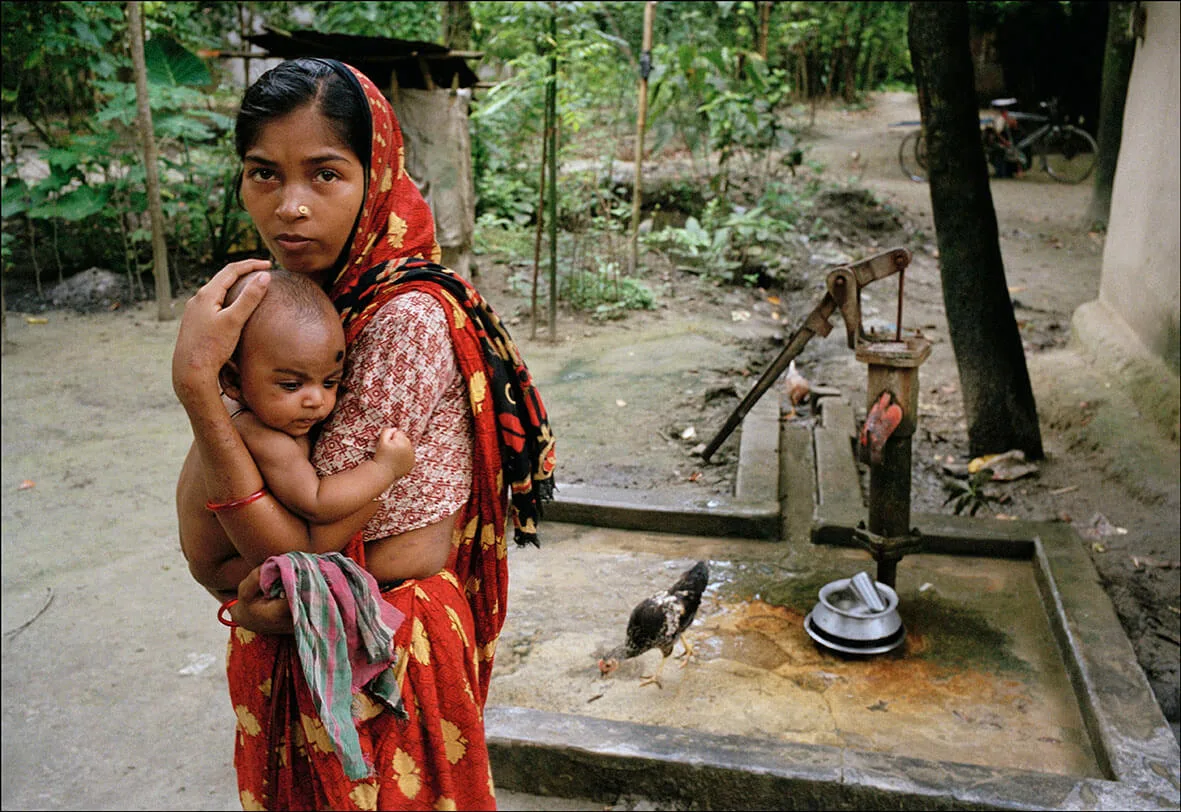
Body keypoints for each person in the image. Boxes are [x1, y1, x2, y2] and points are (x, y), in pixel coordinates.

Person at [172, 57, 556, 810]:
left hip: (382, 652)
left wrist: (199, 391)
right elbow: (223, 546)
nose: (289, 207)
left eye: (324, 174)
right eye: (262, 174)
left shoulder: (401, 319)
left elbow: (298, 549)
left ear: (375, 174)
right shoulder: (300, 303)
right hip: (315, 631)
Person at [177, 268, 416, 599]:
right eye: (292, 385)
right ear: (232, 382)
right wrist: (386, 470)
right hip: (224, 565)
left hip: (216, 552)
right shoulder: (260, 433)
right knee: (313, 550)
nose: (316, 400)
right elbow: (316, 503)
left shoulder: (249, 407)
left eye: (330, 381)